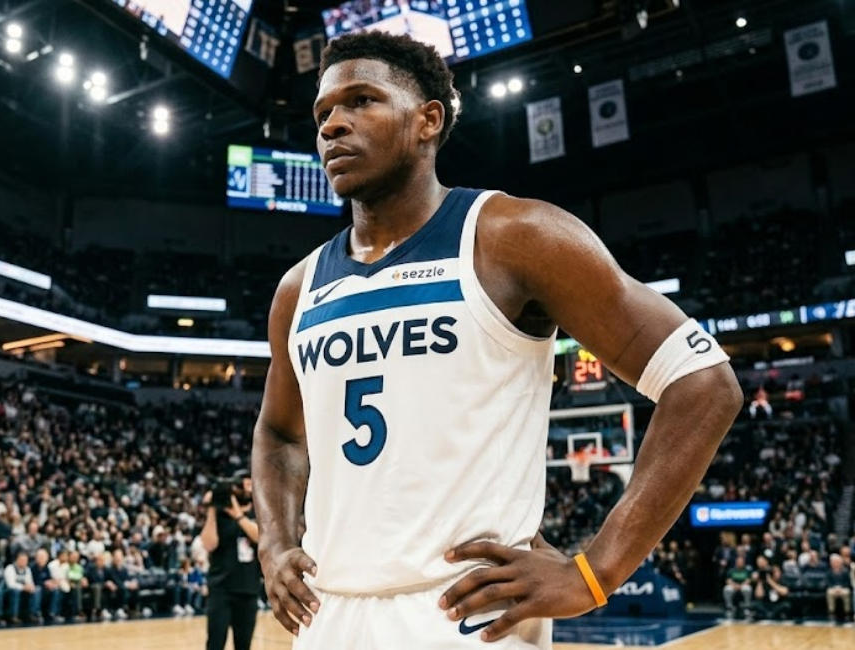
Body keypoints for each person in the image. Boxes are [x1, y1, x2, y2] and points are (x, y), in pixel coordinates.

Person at [250, 29, 741, 649]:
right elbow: (279, 432)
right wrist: (274, 539)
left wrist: (596, 572)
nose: (332, 125)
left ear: (428, 120)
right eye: (323, 112)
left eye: (361, 101)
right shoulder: (299, 288)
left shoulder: (514, 236)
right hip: (330, 614)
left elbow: (702, 383)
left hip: (466, 613)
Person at [201, 476, 260, 650]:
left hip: (248, 589)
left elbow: (259, 537)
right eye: (246, 484)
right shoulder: (218, 516)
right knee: (215, 643)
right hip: (221, 590)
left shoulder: (257, 512)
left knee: (243, 644)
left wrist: (239, 516)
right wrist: (212, 509)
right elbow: (209, 544)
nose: (249, 489)